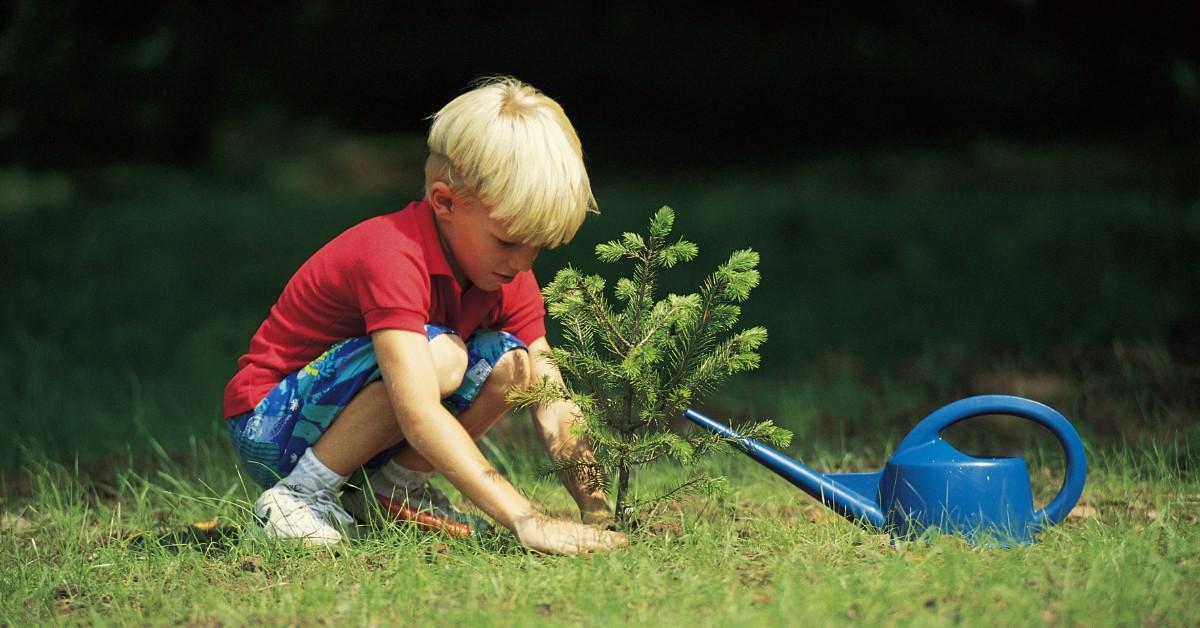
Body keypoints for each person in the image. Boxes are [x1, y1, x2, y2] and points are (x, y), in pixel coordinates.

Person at [222, 76, 626, 554]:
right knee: (443, 357)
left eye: (537, 246)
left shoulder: (507, 276)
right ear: (445, 202)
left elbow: (551, 399)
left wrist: (597, 513)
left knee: (517, 366)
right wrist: (526, 519)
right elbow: (416, 411)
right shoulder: (392, 254)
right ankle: (297, 496)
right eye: (508, 240)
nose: (523, 262)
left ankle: (392, 492)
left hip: (350, 428)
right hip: (271, 424)